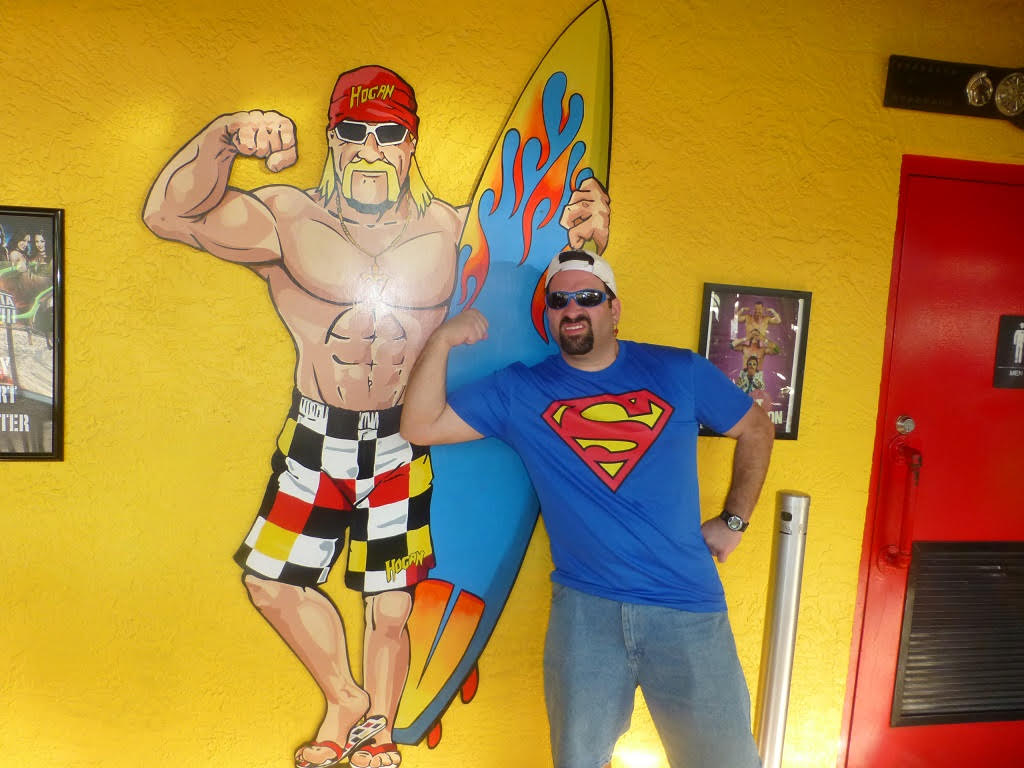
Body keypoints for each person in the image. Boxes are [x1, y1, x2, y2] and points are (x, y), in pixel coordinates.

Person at [142, 65, 608, 768]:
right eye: (354, 131)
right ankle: (345, 697)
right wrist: (225, 136)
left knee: (391, 605)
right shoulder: (286, 218)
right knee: (271, 583)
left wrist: (589, 233)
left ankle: (377, 730)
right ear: (333, 138)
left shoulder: (453, 231)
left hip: (399, 438)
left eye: (388, 134)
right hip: (316, 435)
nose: (370, 148)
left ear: (410, 144)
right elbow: (169, 215)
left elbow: (549, 283)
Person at [400, 250, 774, 768]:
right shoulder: (521, 390)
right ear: (549, 315)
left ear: (614, 308)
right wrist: (442, 340)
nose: (572, 309)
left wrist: (734, 520)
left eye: (588, 297)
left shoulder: (678, 371)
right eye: (559, 301)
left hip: (686, 606)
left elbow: (756, 427)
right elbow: (419, 425)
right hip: (585, 612)